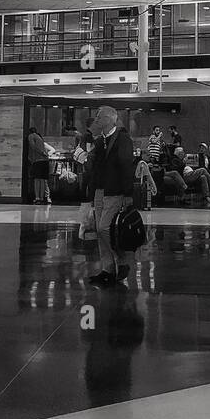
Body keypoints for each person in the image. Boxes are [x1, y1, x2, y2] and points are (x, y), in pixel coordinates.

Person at [88, 106, 136, 287]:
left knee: (103, 228)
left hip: (114, 191)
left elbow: (126, 167)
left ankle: (121, 261)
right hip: (100, 191)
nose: (96, 119)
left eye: (99, 116)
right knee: (100, 232)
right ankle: (108, 269)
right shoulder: (101, 141)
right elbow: (95, 167)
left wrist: (128, 193)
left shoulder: (122, 140)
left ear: (110, 119)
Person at [26, 126, 51, 203]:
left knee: (37, 179)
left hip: (38, 160)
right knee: (43, 180)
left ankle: (37, 198)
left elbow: (33, 146)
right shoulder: (39, 137)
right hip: (45, 161)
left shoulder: (31, 136)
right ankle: (42, 197)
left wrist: (41, 153)